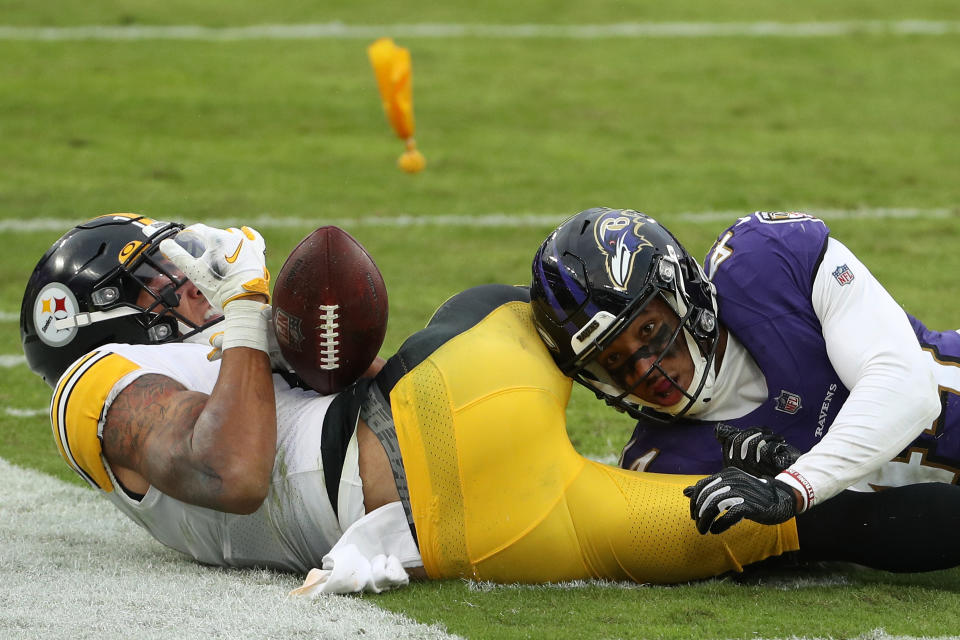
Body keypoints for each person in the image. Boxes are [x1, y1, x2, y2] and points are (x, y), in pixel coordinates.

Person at [20, 214, 960, 593]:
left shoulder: (767, 260)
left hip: (485, 529)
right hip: (443, 410)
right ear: (97, 310)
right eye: (155, 274)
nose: (184, 277)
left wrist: (272, 336)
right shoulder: (92, 386)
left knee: (810, 531)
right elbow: (229, 468)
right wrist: (252, 304)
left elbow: (306, 395)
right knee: (525, 309)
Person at [530, 206, 960, 535]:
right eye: (614, 361)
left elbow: (907, 389)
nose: (646, 368)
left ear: (681, 291)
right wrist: (784, 489)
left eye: (649, 330)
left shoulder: (768, 260)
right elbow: (847, 544)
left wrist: (792, 485)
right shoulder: (660, 468)